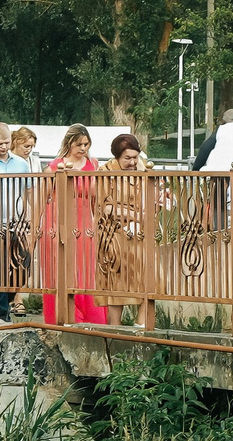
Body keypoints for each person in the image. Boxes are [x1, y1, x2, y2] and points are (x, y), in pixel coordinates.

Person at [38, 125, 110, 325]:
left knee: (85, 270)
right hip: (57, 221)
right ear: (69, 143)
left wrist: (99, 224)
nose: (83, 148)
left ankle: (90, 318)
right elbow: (42, 199)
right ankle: (61, 316)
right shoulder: (54, 167)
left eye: (86, 144)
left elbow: (97, 200)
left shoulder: (93, 164)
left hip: (84, 223)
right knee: (60, 270)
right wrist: (36, 228)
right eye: (79, 144)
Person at [98, 133, 162, 327]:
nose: (133, 162)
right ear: (117, 156)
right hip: (115, 235)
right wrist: (135, 215)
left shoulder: (144, 169)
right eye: (127, 158)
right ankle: (114, 331)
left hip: (142, 235)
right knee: (118, 286)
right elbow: (106, 207)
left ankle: (142, 326)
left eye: (135, 157)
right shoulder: (105, 172)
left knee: (150, 280)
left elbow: (154, 199)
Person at [0, 127, 39, 320]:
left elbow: (28, 191)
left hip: (18, 223)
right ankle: (2, 314)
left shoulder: (21, 164)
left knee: (23, 264)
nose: (4, 147)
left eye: (6, 143)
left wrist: (32, 214)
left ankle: (13, 297)